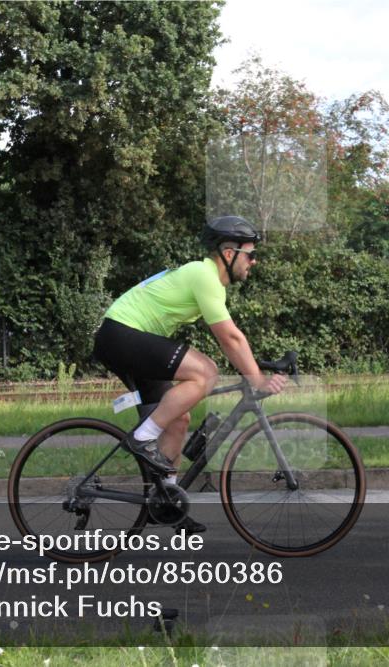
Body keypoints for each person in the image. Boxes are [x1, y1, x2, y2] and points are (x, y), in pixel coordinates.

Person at [92, 216, 287, 533]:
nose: (254, 260)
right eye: (250, 254)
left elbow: (232, 341)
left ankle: (165, 502)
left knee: (178, 417)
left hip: (125, 336)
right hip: (122, 333)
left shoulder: (205, 279)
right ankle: (142, 438)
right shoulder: (203, 275)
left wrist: (255, 367)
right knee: (206, 372)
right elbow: (231, 338)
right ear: (228, 253)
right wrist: (256, 378)